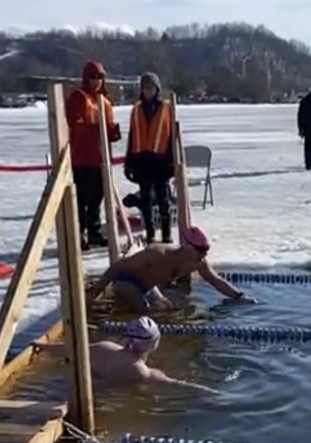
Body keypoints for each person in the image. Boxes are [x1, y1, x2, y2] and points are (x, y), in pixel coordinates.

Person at [86, 225, 254, 313]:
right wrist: (97, 290)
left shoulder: (198, 262)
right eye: (201, 250)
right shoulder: (157, 253)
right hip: (126, 282)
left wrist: (239, 296)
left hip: (147, 287)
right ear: (186, 246)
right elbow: (118, 266)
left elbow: (216, 281)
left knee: (166, 308)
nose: (204, 254)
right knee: (146, 311)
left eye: (206, 250)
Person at [32, 316, 217, 392]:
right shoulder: (140, 371)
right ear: (154, 344)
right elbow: (175, 384)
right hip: (102, 396)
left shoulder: (104, 347)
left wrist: (43, 346)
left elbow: (70, 350)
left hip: (65, 385)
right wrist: (208, 391)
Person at [65, 60, 121, 251]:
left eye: (99, 77)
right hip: (83, 158)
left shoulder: (105, 102)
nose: (96, 81)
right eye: (93, 77)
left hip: (101, 158)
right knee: (82, 199)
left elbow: (106, 128)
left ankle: (94, 232)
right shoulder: (78, 98)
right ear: (85, 78)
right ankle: (79, 233)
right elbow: (75, 125)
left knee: (98, 197)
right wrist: (97, 129)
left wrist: (112, 132)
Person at [124, 72, 174, 244]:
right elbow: (132, 136)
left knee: (162, 199)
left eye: (151, 87)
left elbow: (172, 136)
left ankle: (166, 233)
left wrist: (172, 161)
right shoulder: (136, 109)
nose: (148, 91)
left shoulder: (166, 108)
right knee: (145, 200)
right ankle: (150, 233)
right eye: (145, 88)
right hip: (142, 160)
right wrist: (128, 162)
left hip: (160, 160)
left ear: (157, 88)